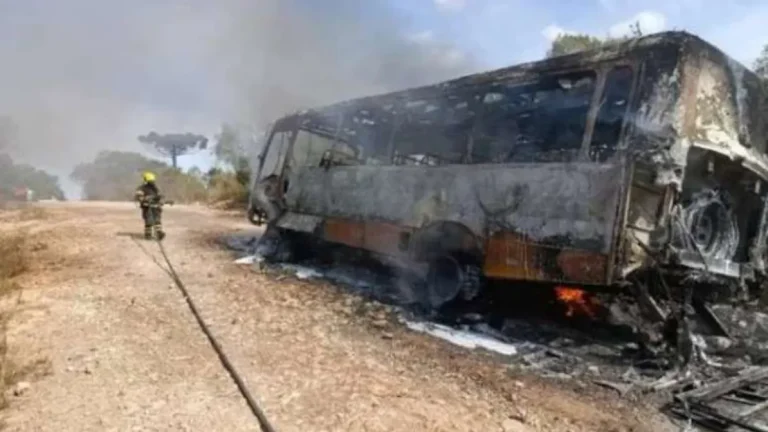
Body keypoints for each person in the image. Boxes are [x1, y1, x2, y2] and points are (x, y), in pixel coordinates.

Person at [134, 171, 166, 240]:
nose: (152, 182)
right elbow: (139, 197)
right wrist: (145, 199)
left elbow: (160, 196)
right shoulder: (143, 188)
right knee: (150, 220)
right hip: (147, 207)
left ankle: (158, 233)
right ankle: (148, 234)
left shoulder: (154, 188)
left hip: (155, 206)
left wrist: (161, 201)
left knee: (156, 220)